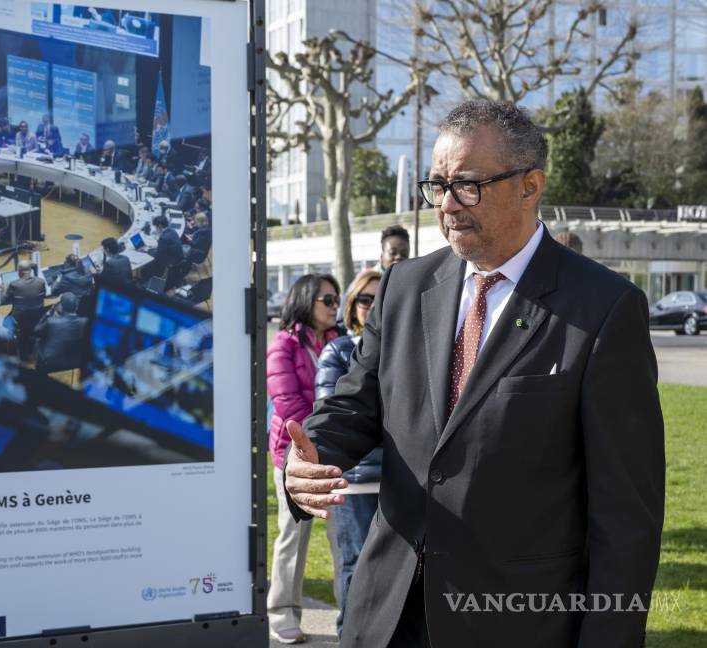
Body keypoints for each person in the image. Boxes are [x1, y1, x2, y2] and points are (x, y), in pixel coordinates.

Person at [282, 100, 664, 647]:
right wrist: (312, 455)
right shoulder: (403, 287)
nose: (446, 204)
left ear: (530, 186)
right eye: (436, 185)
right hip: (386, 614)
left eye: (467, 184)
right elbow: (354, 405)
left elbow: (626, 517)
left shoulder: (604, 308)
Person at [267, 274, 342, 645]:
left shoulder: (339, 341)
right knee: (293, 536)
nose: (335, 306)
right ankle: (282, 613)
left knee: (342, 536)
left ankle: (352, 613)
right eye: (327, 300)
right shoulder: (283, 345)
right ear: (305, 300)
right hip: (292, 455)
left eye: (336, 300)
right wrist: (327, 431)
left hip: (335, 454)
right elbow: (289, 405)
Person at [313, 270, 383, 639]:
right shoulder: (338, 351)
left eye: (378, 298)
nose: (371, 306)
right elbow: (334, 413)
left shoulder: (409, 348)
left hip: (398, 483)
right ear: (352, 305)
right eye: (364, 299)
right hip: (355, 483)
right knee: (356, 570)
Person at [1, 260, 46, 361]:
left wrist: (3, 289)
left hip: (19, 321)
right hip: (37, 318)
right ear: (30, 270)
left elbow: (3, 301)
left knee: (5, 321)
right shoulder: (41, 281)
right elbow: (44, 295)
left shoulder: (14, 284)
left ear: (19, 271)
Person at [33, 292, 87, 374]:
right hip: (76, 363)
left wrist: (48, 312)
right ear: (76, 306)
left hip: (52, 365)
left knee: (38, 340)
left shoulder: (51, 322)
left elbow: (36, 331)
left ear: (61, 306)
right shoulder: (86, 322)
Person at [139, 215, 183, 282]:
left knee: (146, 266)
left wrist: (148, 250)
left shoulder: (164, 238)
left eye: (155, 226)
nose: (155, 228)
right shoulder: (172, 231)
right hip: (177, 258)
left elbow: (158, 256)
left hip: (170, 261)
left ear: (159, 226)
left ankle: (144, 281)